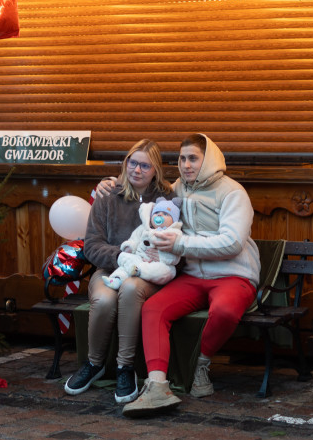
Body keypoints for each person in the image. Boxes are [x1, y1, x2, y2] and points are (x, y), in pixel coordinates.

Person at [122, 133, 260, 417]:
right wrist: (110, 184)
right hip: (193, 276)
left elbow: (232, 242)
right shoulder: (177, 190)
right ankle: (157, 386)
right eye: (182, 158)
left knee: (223, 311)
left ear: (207, 159)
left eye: (193, 158)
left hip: (233, 275)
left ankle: (201, 365)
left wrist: (181, 244)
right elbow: (145, 196)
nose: (186, 165)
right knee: (153, 309)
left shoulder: (233, 192)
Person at [65, 139, 172, 404]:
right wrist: (120, 256)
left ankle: (125, 368)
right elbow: (91, 245)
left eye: (145, 165)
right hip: (110, 268)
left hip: (148, 271)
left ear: (155, 170)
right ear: (125, 164)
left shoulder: (166, 199)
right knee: (103, 300)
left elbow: (176, 238)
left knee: (130, 288)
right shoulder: (108, 196)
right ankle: (94, 363)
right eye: (132, 163)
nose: (137, 170)